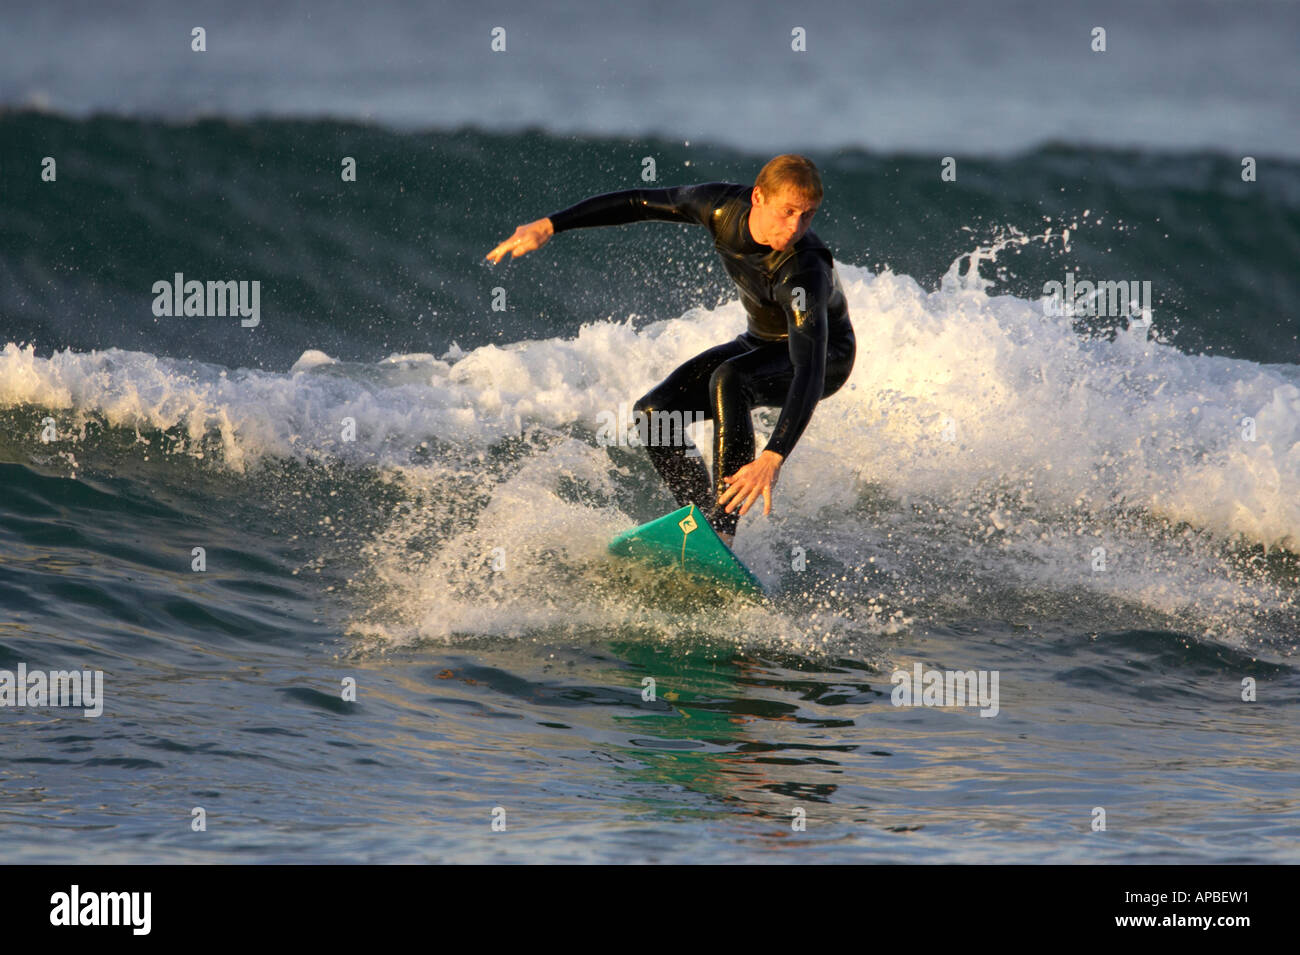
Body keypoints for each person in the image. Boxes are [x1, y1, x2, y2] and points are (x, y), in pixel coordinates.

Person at [485, 154, 855, 548]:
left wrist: (773, 456)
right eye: (788, 211)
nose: (796, 226)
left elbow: (808, 372)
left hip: (825, 359)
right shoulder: (720, 207)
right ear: (758, 198)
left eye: (808, 215)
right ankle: (701, 527)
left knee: (731, 378)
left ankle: (723, 530)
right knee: (655, 413)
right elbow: (638, 202)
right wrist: (551, 225)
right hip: (760, 342)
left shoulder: (804, 271)